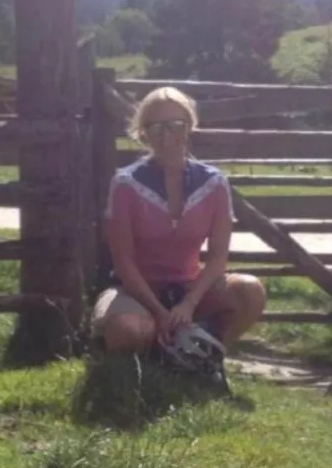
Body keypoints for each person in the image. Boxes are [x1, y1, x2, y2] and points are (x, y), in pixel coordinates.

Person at [93, 86, 268, 354]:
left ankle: (209, 354)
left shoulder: (213, 183)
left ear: (189, 127)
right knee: (129, 330)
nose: (167, 135)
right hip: (135, 291)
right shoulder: (125, 184)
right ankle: (156, 354)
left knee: (250, 290)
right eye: (156, 127)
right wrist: (160, 312)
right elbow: (124, 264)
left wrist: (189, 303)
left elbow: (218, 258)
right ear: (143, 133)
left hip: (190, 288)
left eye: (176, 124)